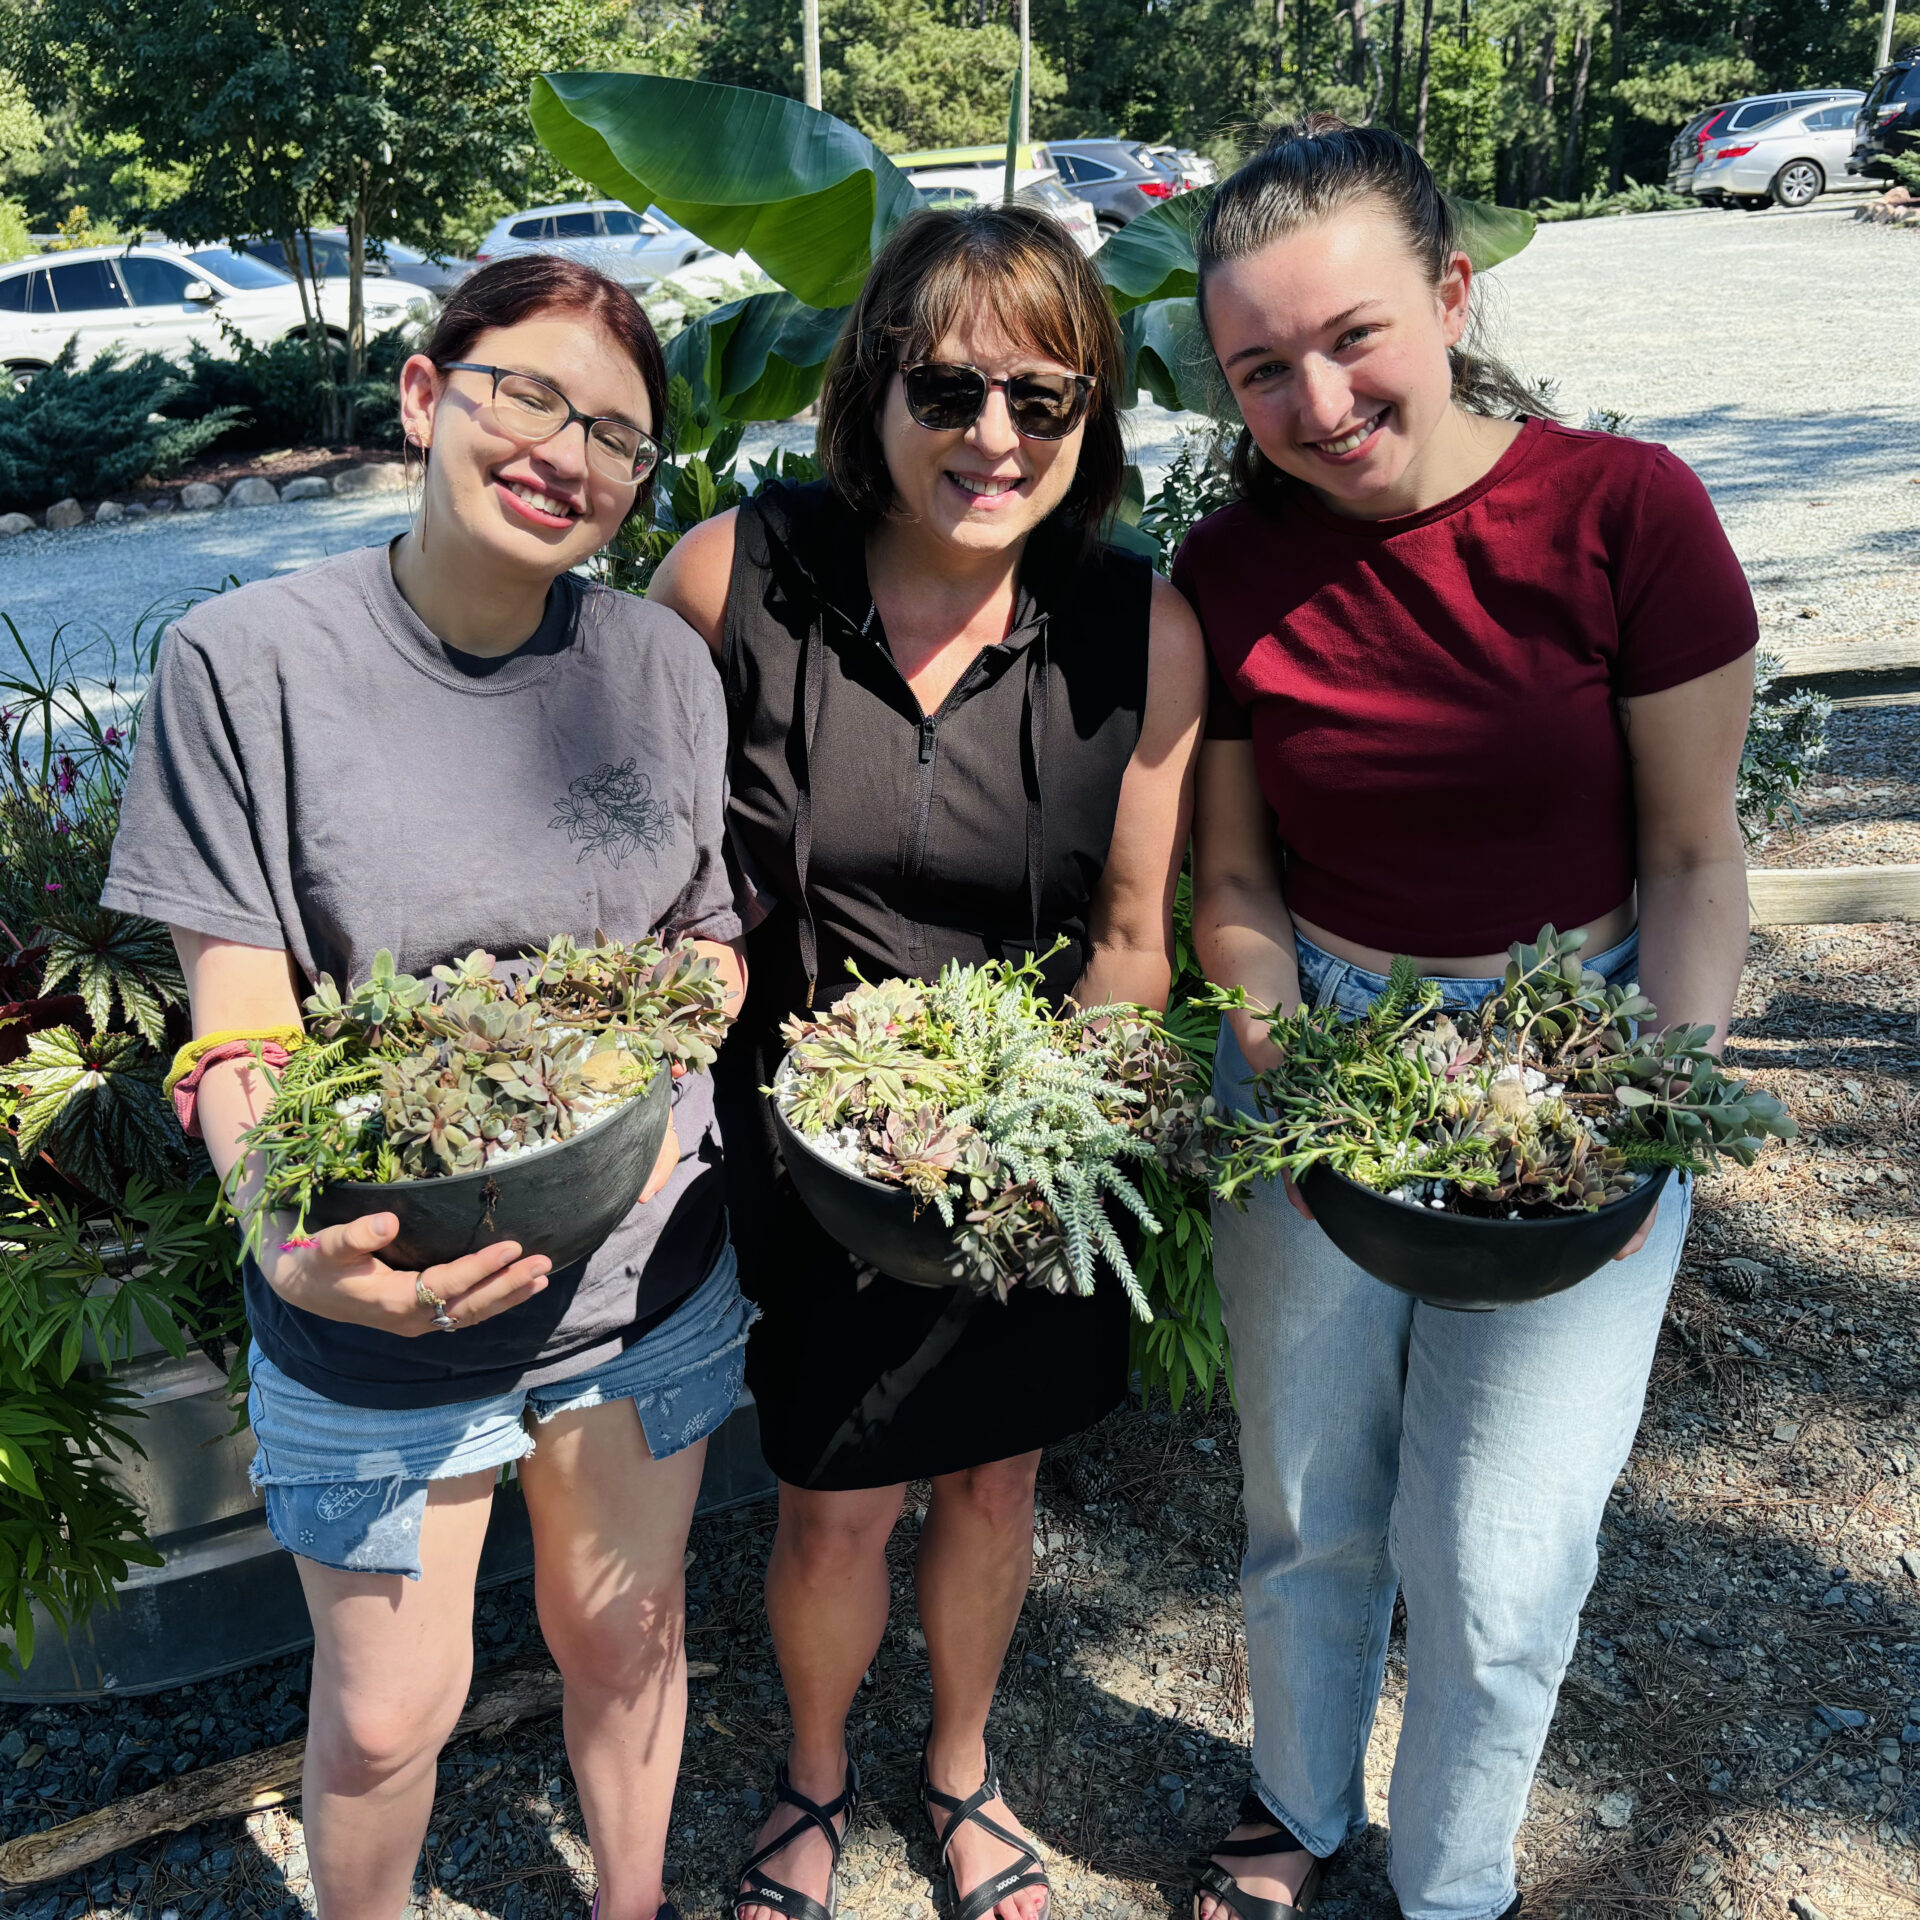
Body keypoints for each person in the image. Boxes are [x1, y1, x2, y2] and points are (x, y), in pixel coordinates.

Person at [102, 255, 750, 1920]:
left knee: (623, 1635)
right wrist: (283, 1239)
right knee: (389, 1715)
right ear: (423, 396)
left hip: (637, 1267)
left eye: (615, 431)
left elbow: (709, 937)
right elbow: (238, 1017)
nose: (566, 451)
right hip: (376, 1270)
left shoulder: (657, 666)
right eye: (526, 394)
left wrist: (684, 1010)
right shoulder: (247, 662)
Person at [1177, 119, 1756, 1920]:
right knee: (1307, 1500)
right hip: (1320, 1037)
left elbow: (1687, 850)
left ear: (1449, 290)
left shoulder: (1623, 513)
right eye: (1263, 368)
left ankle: (1456, 1876)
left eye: (1353, 336)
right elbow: (1237, 889)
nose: (1319, 398)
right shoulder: (1228, 574)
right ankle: (1297, 1800)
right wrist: (1292, 1069)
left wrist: (1650, 1103)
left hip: (1577, 1039)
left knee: (1503, 1554)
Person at [650, 205, 1205, 1920]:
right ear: (871, 387)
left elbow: (1130, 938)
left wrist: (1067, 1151)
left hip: (1030, 1163)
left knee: (994, 1474)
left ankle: (960, 1767)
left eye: (1047, 401)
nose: (996, 438)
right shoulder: (732, 578)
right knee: (829, 1507)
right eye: (951, 389)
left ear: (1093, 420)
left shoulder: (1136, 629)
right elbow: (654, 883)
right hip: (811, 1155)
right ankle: (816, 1774)